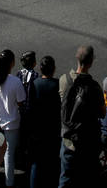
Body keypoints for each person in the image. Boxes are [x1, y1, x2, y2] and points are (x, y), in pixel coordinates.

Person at [58, 44, 104, 187]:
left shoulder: (64, 80)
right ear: (91, 62)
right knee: (87, 178)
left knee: (65, 177)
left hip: (68, 140)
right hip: (87, 141)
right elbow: (102, 113)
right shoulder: (95, 87)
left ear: (77, 58)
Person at [0, 49, 26, 188]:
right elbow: (21, 103)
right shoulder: (15, 82)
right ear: (12, 63)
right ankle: (9, 183)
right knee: (9, 156)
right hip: (11, 125)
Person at [29, 55, 61, 188]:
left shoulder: (35, 84)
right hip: (53, 129)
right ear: (53, 69)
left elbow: (31, 106)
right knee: (53, 161)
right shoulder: (57, 84)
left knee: (36, 163)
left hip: (37, 129)